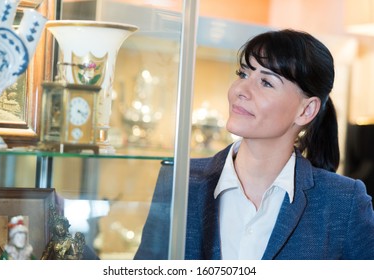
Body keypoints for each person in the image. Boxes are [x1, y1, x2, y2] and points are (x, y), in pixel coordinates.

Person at [134, 29, 374, 260]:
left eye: (266, 83)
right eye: (243, 74)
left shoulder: (345, 201)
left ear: (306, 110)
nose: (240, 90)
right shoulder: (179, 180)